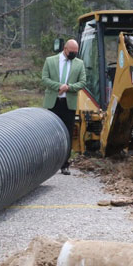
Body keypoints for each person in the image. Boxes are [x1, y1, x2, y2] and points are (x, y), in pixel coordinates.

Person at [41, 38, 87, 174]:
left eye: (76, 52)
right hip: (53, 103)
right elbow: (44, 78)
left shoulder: (79, 64)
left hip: (69, 104)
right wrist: (59, 86)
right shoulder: (50, 61)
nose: (74, 54)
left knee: (67, 134)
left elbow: (83, 82)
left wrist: (69, 87)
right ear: (65, 49)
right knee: (50, 134)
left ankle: (65, 164)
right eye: (72, 51)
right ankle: (50, 163)